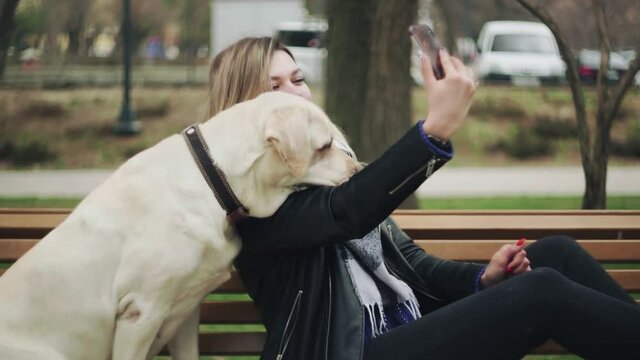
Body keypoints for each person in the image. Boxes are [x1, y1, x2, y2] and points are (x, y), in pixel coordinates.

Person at [206, 37, 640, 360]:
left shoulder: (332, 170)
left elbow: (411, 265)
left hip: (406, 334)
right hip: (347, 353)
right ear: (241, 109)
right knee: (540, 292)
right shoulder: (250, 202)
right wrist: (433, 131)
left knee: (557, 255)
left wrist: (482, 280)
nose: (295, 92)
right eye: (273, 87)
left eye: (298, 79)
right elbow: (346, 213)